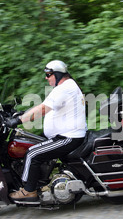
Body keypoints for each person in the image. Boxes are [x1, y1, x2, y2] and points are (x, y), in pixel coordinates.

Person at [5, 60, 87, 201]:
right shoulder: (66, 86)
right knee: (28, 143)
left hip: (68, 137)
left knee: (32, 153)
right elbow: (45, 106)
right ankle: (39, 181)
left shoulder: (64, 88)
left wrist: (19, 120)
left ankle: (29, 190)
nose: (46, 77)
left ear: (58, 74)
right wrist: (22, 114)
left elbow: (43, 110)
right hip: (63, 134)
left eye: (48, 74)